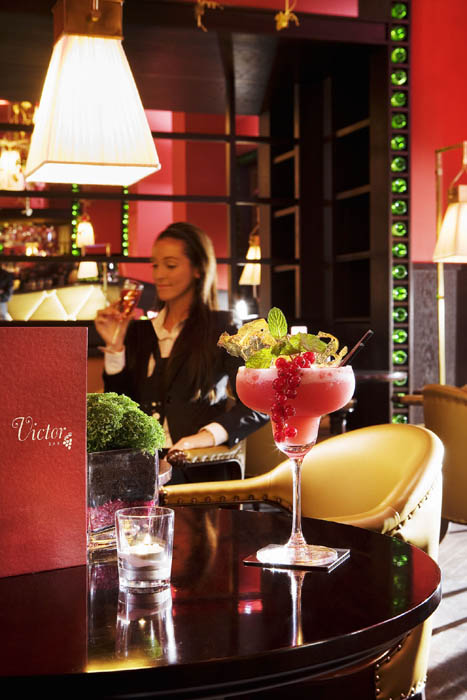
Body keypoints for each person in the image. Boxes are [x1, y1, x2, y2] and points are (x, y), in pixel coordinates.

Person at [95, 222, 268, 481]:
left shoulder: (223, 329)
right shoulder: (140, 332)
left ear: (198, 269)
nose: (159, 275)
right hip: (141, 469)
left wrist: (204, 437)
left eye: (170, 265)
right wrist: (115, 346)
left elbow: (258, 405)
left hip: (197, 468)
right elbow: (122, 407)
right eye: (155, 265)